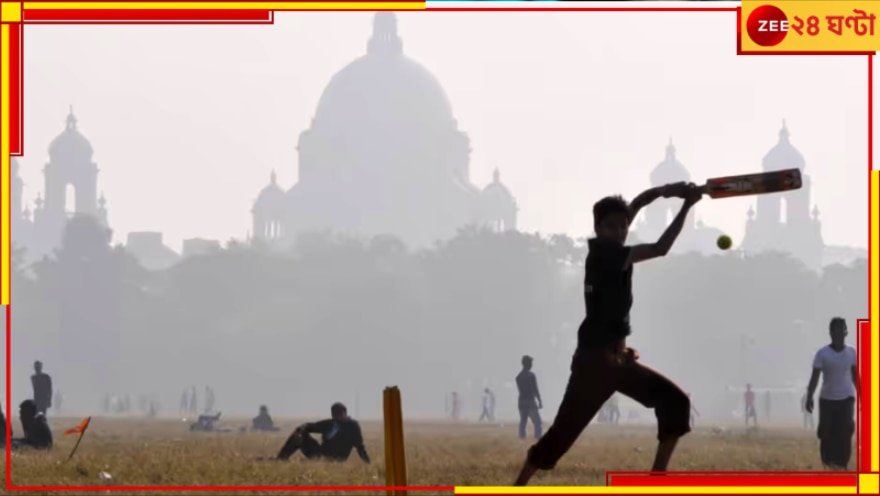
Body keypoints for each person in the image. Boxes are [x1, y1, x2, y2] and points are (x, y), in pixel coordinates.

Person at [512, 182, 699, 486]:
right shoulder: (608, 256)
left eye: (623, 226)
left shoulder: (610, 248)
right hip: (595, 364)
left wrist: (666, 191)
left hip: (619, 361)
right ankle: (518, 486)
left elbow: (635, 205)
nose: (620, 231)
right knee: (562, 434)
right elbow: (660, 248)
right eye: (612, 227)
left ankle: (657, 480)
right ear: (598, 228)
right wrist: (687, 206)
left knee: (676, 403)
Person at [805, 317, 858, 471]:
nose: (839, 334)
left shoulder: (851, 352)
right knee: (826, 432)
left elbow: (855, 375)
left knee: (846, 430)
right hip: (827, 399)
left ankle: (842, 464)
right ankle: (828, 462)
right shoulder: (822, 354)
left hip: (846, 398)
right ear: (830, 333)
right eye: (835, 330)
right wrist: (809, 397)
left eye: (841, 330)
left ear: (846, 332)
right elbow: (815, 378)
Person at [273, 402, 370, 463]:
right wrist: (301, 428)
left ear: (345, 413)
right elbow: (310, 426)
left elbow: (360, 446)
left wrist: (367, 462)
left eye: (339, 414)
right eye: (335, 414)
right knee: (300, 434)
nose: (337, 417)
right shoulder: (330, 423)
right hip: (320, 454)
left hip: (336, 460)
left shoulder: (352, 426)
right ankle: (281, 458)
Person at [516, 355, 543, 440]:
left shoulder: (518, 377)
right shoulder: (531, 376)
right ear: (527, 364)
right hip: (530, 401)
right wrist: (539, 400)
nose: (531, 364)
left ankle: (522, 437)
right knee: (537, 421)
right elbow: (535, 389)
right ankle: (538, 436)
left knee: (523, 421)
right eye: (530, 362)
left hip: (522, 401)